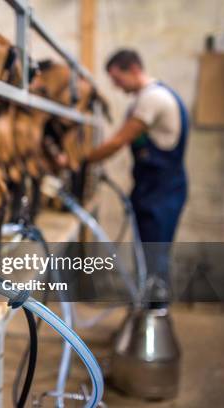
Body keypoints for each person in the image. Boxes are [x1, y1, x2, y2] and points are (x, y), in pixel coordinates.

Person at [84, 49, 189, 308]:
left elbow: (118, 141)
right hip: (151, 190)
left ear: (133, 69)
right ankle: (148, 314)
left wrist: (82, 159)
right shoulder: (145, 98)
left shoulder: (153, 99)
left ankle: (155, 318)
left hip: (162, 192)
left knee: (154, 257)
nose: (117, 88)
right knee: (146, 257)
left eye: (117, 80)